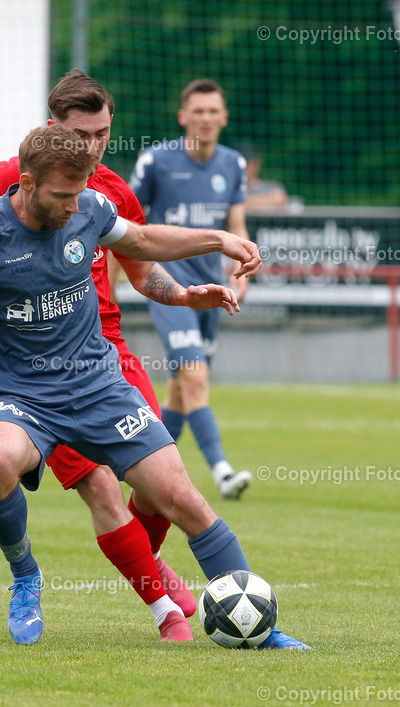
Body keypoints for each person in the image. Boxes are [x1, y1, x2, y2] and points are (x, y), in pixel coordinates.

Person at [0, 124, 309, 651]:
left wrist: (217, 243)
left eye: (78, 193)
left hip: (99, 387)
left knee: (182, 498)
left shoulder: (89, 208)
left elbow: (142, 241)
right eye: (62, 195)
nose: (73, 206)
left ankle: (262, 630)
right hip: (23, 398)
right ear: (27, 183)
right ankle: (25, 574)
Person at [130, 78, 254, 500]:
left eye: (213, 111)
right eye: (197, 111)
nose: (205, 118)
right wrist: (109, 287)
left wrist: (241, 274)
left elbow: (236, 226)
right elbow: (126, 224)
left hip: (211, 291)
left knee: (180, 392)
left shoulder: (233, 164)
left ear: (224, 117)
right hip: (169, 287)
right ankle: (222, 472)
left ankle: (147, 477)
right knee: (195, 377)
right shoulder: (155, 161)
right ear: (183, 117)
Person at [236, 142, 290, 210]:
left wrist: (244, 201)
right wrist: (267, 200)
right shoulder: (232, 188)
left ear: (257, 164)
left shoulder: (272, 186)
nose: (243, 167)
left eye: (247, 163)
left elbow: (280, 200)